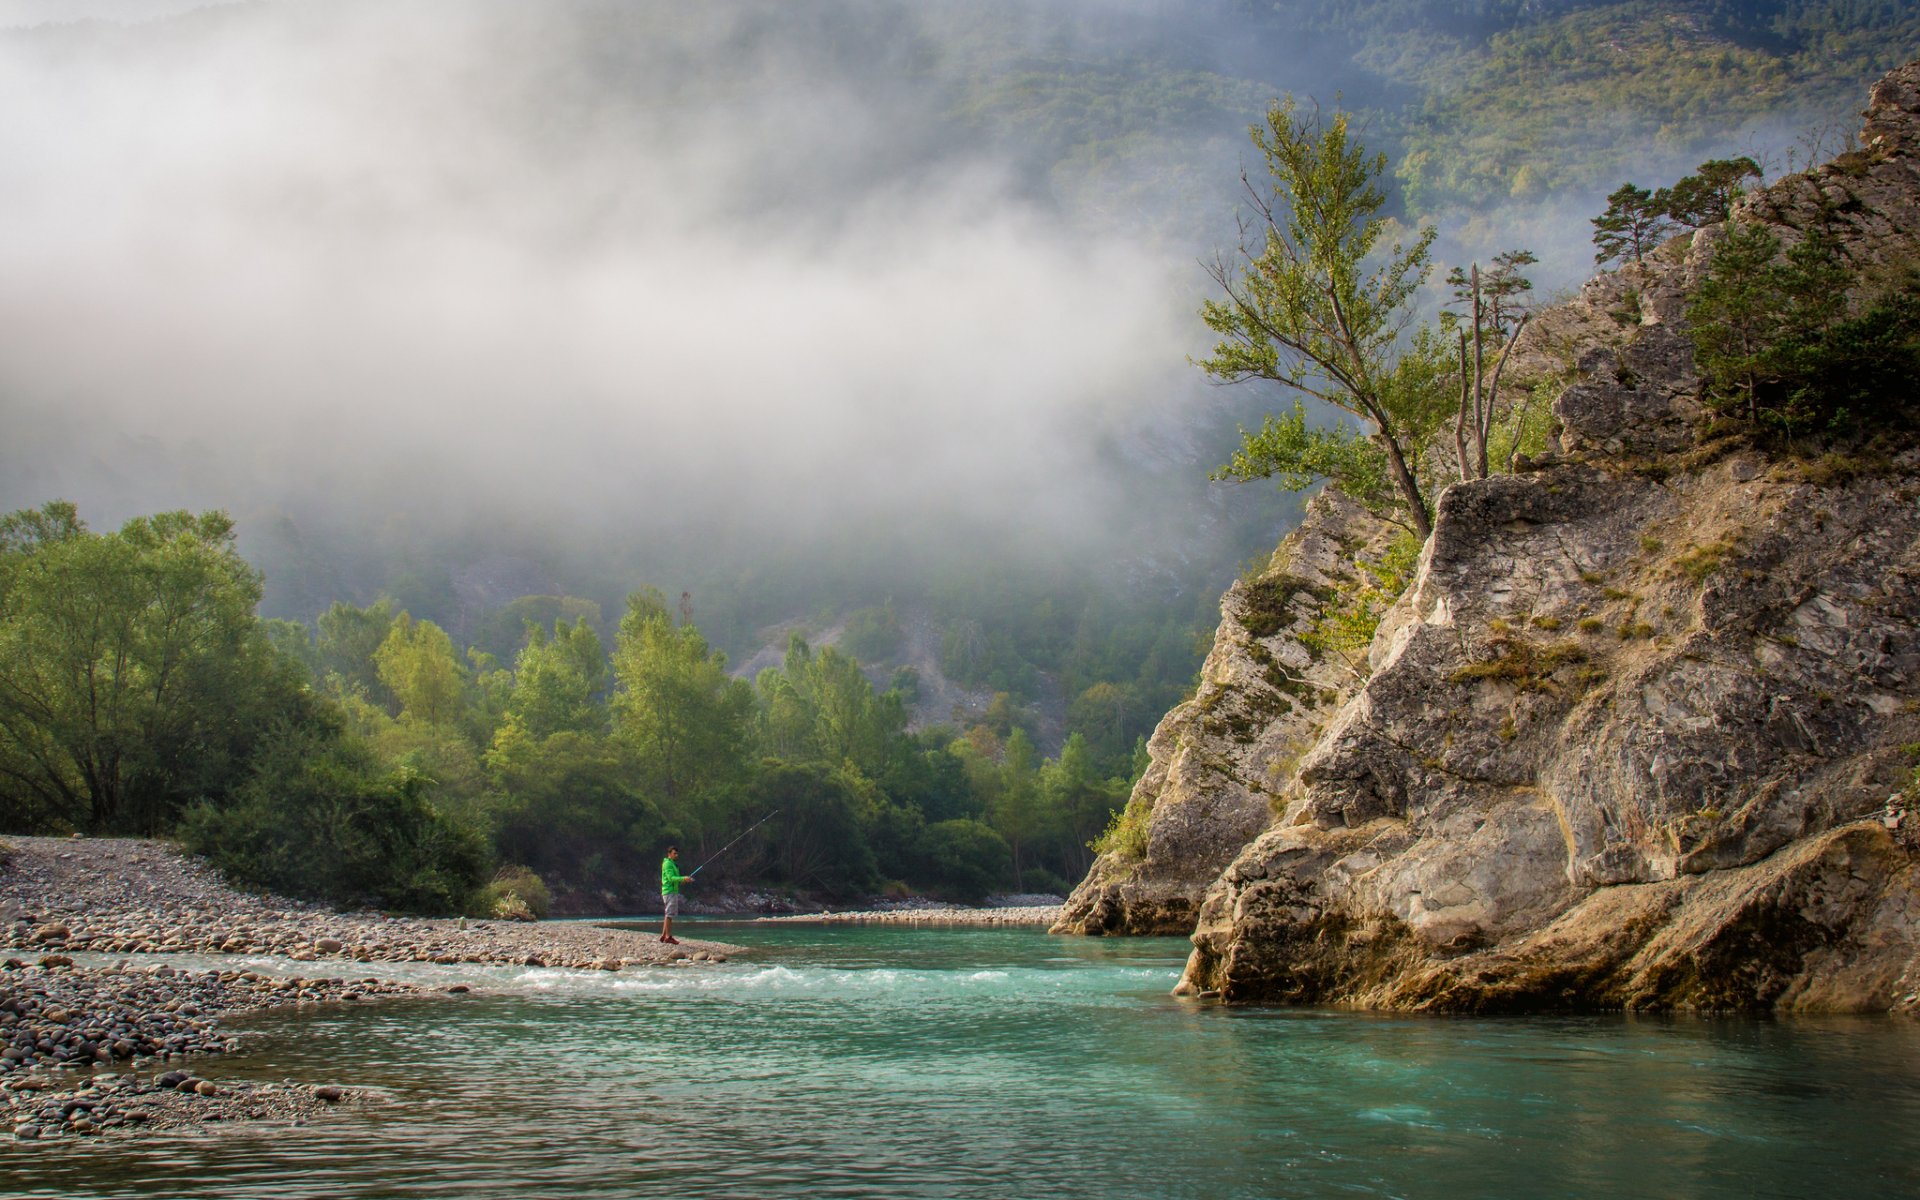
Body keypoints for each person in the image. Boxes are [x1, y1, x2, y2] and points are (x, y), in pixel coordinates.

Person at [659, 846, 692, 944]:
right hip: (670, 891)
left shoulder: (672, 864)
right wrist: (682, 878)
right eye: (674, 853)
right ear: (669, 854)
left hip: (671, 891)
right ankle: (668, 937)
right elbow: (671, 878)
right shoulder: (668, 864)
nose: (676, 855)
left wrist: (684, 880)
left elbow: (674, 879)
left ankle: (664, 935)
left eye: (677, 853)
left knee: (667, 913)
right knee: (669, 914)